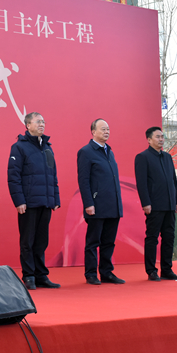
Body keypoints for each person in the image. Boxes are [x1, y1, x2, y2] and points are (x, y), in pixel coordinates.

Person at [8, 112, 61, 290]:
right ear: (28, 125)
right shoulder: (19, 147)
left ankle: (41, 275)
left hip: (46, 202)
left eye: (43, 121)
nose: (42, 124)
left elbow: (53, 175)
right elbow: (13, 176)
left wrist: (55, 198)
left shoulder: (47, 148)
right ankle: (28, 275)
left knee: (41, 241)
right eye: (38, 121)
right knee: (27, 241)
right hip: (28, 203)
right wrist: (19, 201)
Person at [77, 119, 125, 285]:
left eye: (108, 129)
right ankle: (91, 274)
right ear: (93, 132)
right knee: (93, 242)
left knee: (109, 242)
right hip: (96, 205)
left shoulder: (109, 152)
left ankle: (106, 272)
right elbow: (83, 180)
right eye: (103, 129)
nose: (106, 132)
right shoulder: (86, 152)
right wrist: (88, 203)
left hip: (112, 205)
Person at [135, 127, 177, 282]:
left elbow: (173, 180)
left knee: (169, 238)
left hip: (169, 205)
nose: (161, 139)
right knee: (152, 238)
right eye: (158, 137)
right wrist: (146, 203)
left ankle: (167, 270)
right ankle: (151, 271)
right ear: (149, 139)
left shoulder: (167, 157)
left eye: (162, 137)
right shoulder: (143, 157)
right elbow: (141, 183)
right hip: (154, 205)